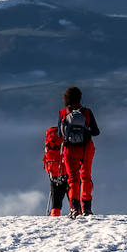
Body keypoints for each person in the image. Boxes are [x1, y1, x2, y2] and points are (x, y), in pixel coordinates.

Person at [57, 85, 100, 217]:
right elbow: (96, 132)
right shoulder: (87, 112)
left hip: (70, 150)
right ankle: (86, 208)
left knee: (72, 179)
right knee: (85, 177)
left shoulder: (63, 113)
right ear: (79, 98)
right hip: (86, 148)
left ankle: (74, 208)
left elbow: (59, 134)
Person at [42, 125, 68, 216]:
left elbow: (45, 159)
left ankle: (54, 215)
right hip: (67, 171)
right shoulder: (65, 137)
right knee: (74, 196)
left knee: (56, 198)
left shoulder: (49, 141)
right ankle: (79, 215)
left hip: (54, 174)